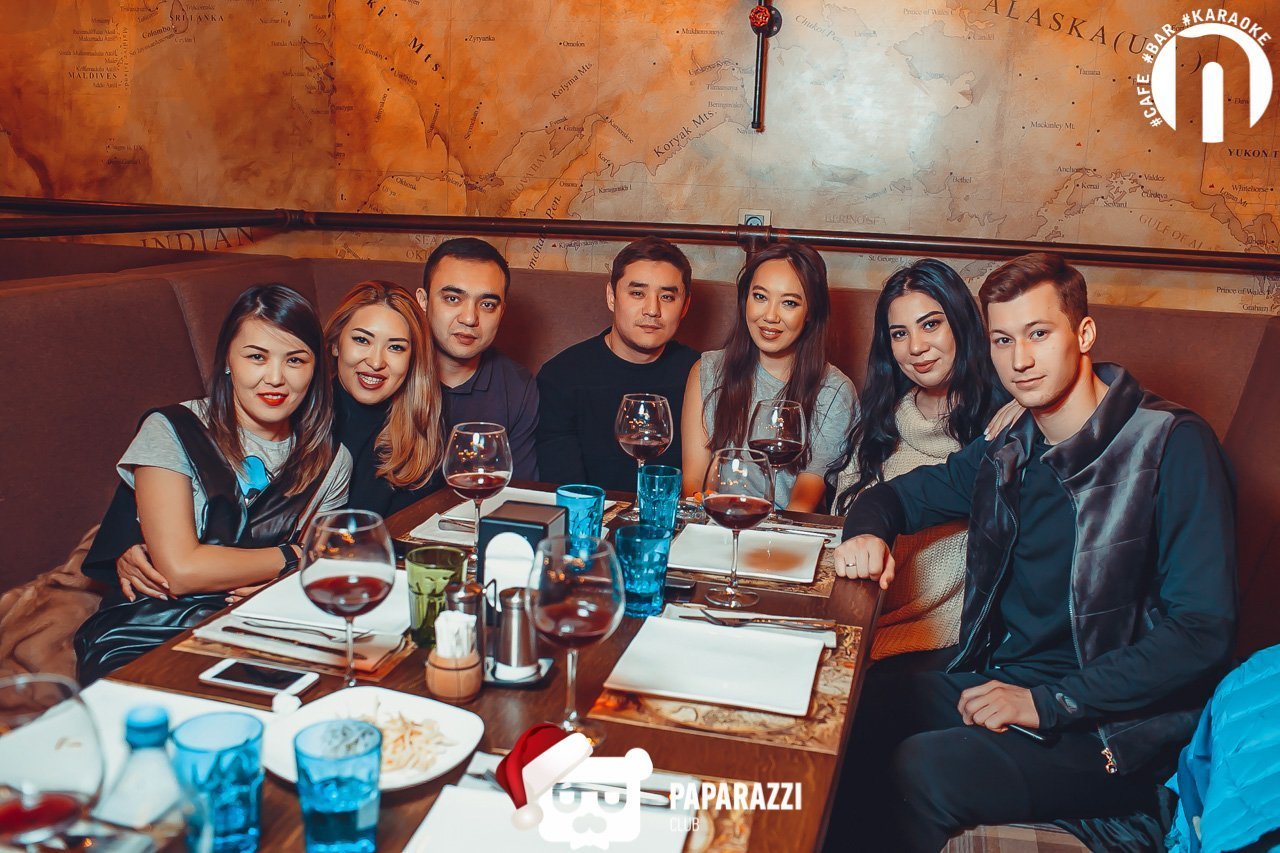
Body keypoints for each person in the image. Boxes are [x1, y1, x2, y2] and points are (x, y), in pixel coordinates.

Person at [828, 253, 1237, 851]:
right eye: (1003, 340)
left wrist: (1049, 703)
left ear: (1084, 334)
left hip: (1115, 728)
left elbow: (1202, 630)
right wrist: (866, 533)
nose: (1020, 359)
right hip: (1006, 678)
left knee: (924, 768)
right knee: (850, 706)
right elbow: (897, 496)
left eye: (1038, 334)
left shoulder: (1171, 444)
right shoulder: (1010, 445)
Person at [75, 284, 352, 683]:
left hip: (258, 625)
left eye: (295, 360)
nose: (275, 378)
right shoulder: (172, 428)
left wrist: (297, 570)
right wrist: (293, 556)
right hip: (149, 629)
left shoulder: (331, 461)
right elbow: (181, 569)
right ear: (227, 360)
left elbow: (319, 571)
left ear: (315, 368)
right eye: (256, 357)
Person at [827, 259, 1009, 663]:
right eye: (899, 333)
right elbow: (845, 518)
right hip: (857, 613)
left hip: (950, 642)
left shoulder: (1001, 427)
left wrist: (1027, 409)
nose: (915, 347)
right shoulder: (880, 420)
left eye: (930, 325)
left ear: (961, 324)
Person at [681, 242, 854, 511]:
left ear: (810, 312)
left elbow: (803, 500)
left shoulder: (834, 391)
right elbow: (694, 483)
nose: (770, 316)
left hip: (787, 528)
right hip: (717, 522)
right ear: (745, 300)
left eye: (789, 303)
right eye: (760, 297)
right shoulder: (707, 370)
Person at [536, 237, 700, 491]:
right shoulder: (561, 377)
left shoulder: (700, 374)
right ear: (612, 297)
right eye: (637, 293)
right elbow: (566, 490)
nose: (652, 310)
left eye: (667, 297)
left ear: (685, 306)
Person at [416, 238, 538, 479]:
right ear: (423, 301)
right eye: (453, 298)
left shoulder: (518, 386)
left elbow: (520, 490)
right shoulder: (390, 370)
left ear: (502, 312)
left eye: (487, 304)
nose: (470, 318)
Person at [328, 280, 445, 516]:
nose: (376, 362)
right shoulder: (298, 415)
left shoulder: (421, 432)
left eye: (396, 348)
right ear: (336, 344)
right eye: (362, 340)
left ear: (413, 359)